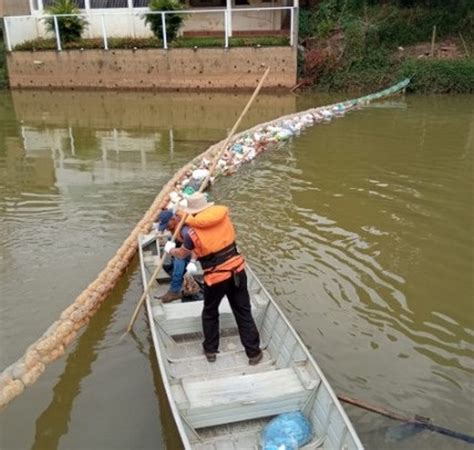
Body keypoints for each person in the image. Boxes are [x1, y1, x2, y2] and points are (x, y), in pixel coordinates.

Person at [164, 192, 263, 365]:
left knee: (210, 313)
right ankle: (254, 353)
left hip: (216, 278)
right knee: (243, 312)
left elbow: (182, 253)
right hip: (238, 270)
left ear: (191, 212)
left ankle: (210, 350)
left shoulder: (191, 233)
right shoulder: (223, 218)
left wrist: (170, 249)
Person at [156, 209, 191, 303]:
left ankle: (174, 290)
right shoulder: (175, 226)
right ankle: (179, 280)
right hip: (187, 245)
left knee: (179, 259)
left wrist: (193, 262)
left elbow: (193, 247)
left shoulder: (185, 230)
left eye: (167, 225)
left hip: (197, 251)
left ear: (173, 219)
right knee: (172, 259)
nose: (166, 228)